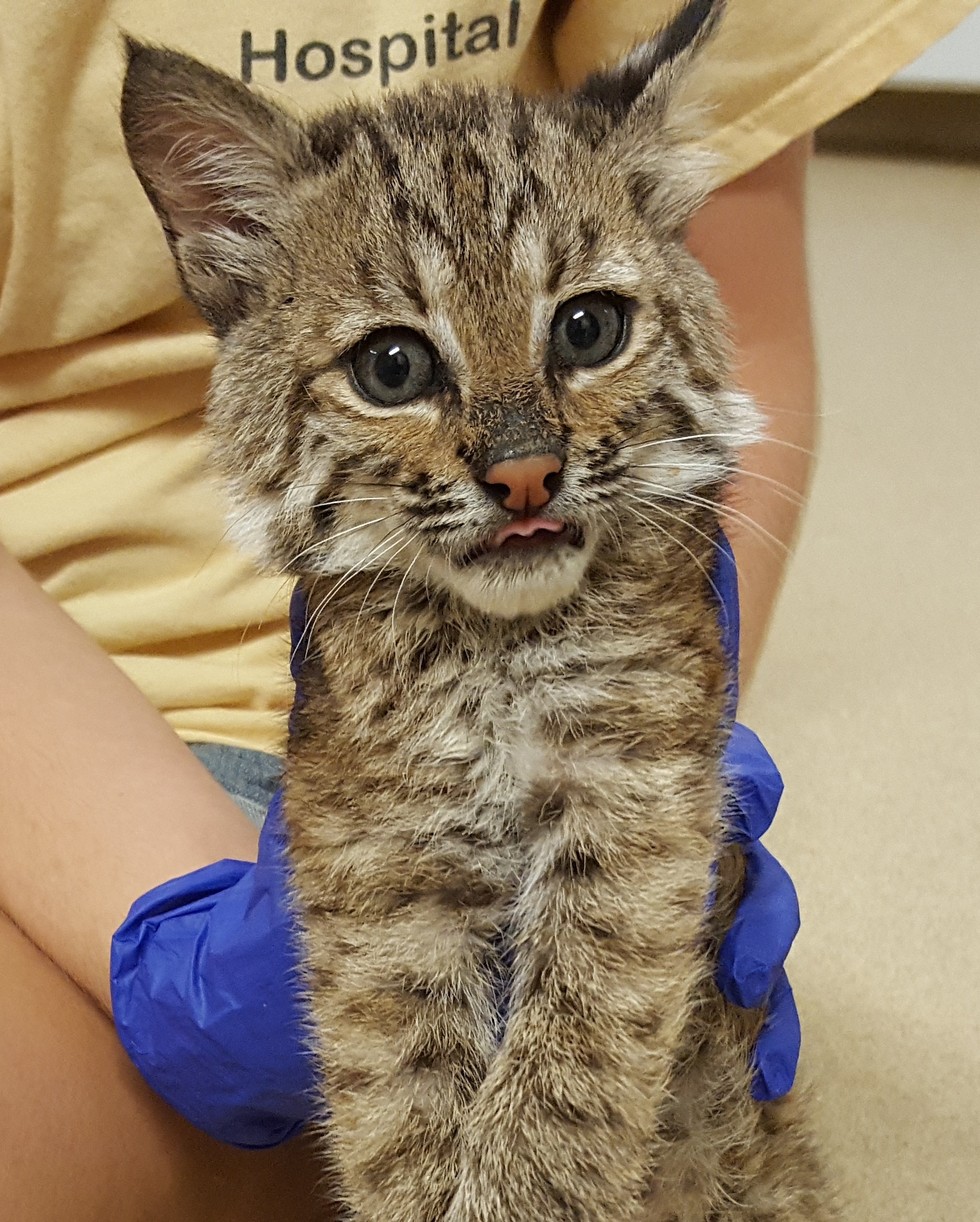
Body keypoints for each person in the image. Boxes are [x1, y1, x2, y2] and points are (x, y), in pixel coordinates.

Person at [0, 1, 973, 1218]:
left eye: (585, 330)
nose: (519, 453)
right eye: (395, 366)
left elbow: (749, 333)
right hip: (61, 719)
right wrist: (161, 938)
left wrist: (662, 731)